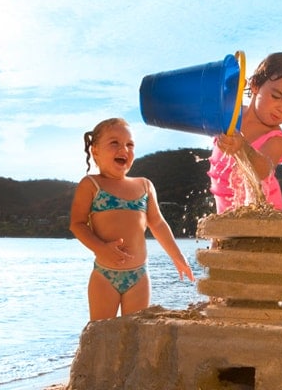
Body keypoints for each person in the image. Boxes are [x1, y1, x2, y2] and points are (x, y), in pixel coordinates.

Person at [69, 117, 195, 320]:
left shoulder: (144, 185)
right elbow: (77, 224)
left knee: (135, 333)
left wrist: (177, 257)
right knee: (101, 334)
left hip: (139, 276)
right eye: (114, 143)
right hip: (105, 275)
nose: (124, 149)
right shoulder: (91, 184)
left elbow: (158, 224)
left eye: (130, 144)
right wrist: (101, 248)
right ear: (95, 151)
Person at [208, 52, 282, 213]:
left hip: (265, 216)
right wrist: (228, 88)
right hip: (225, 213)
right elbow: (203, 107)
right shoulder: (228, 115)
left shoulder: (277, 139)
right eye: (276, 96)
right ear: (255, 85)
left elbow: (263, 169)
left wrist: (243, 147)